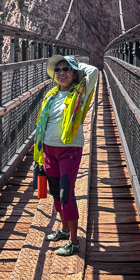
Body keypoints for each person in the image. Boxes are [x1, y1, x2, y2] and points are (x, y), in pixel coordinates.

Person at [34, 54, 99, 256]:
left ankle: (74, 241)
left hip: (69, 149)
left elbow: (94, 71)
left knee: (66, 193)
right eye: (59, 69)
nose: (61, 73)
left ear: (73, 74)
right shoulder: (51, 95)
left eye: (66, 69)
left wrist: (75, 64)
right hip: (48, 149)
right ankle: (63, 229)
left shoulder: (80, 92)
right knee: (55, 193)